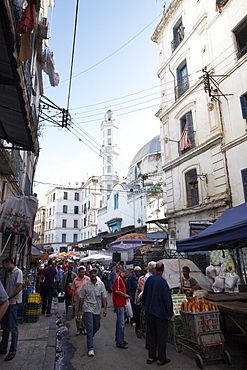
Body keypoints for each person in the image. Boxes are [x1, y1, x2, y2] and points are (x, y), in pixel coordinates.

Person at [143, 262, 173, 366]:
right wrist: (170, 312)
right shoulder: (163, 282)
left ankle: (151, 356)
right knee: (161, 336)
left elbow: (145, 294)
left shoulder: (150, 280)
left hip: (149, 311)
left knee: (151, 334)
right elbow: (167, 299)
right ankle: (161, 358)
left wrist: (146, 307)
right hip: (160, 313)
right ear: (163, 270)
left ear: (155, 269)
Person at [78, 267, 107, 357]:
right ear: (89, 275)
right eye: (91, 273)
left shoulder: (101, 284)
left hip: (97, 308)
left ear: (97, 274)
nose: (93, 275)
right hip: (87, 307)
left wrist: (105, 309)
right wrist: (79, 310)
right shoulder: (86, 285)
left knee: (96, 326)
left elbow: (104, 297)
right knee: (90, 327)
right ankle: (90, 347)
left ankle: (90, 336)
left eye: (94, 273)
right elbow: (82, 298)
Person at [0, 258, 23, 362]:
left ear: (9, 263)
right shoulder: (8, 273)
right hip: (6, 303)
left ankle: (12, 351)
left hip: (13, 303)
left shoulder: (18, 272)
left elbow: (20, 287)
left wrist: (9, 297)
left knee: (13, 327)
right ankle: (3, 347)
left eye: (4, 265)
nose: (4, 268)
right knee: (5, 326)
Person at [112, 268, 131, 349]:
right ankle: (120, 341)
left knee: (120, 322)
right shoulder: (119, 279)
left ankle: (119, 339)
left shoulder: (120, 279)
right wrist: (124, 295)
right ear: (126, 273)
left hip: (121, 303)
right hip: (119, 303)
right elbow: (116, 291)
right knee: (121, 323)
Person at [71, 266, 90, 335]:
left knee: (84, 314)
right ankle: (78, 328)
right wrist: (72, 300)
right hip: (77, 299)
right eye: (81, 272)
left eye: (83, 272)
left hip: (85, 300)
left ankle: (84, 328)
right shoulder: (75, 280)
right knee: (77, 315)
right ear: (78, 272)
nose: (83, 273)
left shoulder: (87, 279)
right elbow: (73, 290)